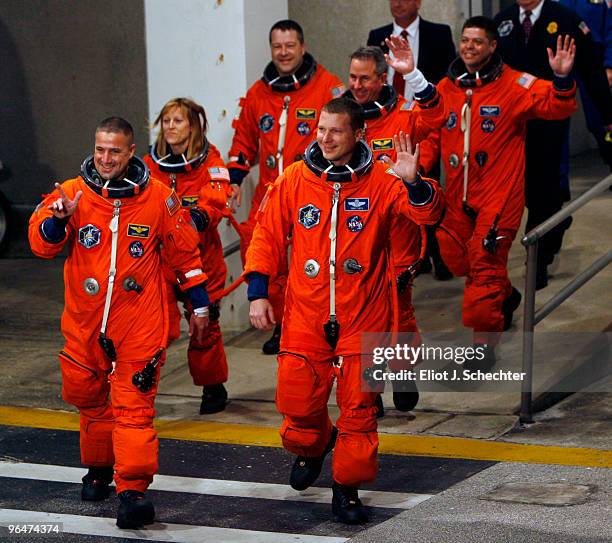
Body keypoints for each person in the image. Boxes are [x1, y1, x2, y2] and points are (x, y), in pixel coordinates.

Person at [244, 98, 443, 524]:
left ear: (358, 134)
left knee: (359, 409)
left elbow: (428, 214)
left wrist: (414, 182)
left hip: (362, 314)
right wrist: (258, 291)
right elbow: (266, 234)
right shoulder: (296, 179)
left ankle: (346, 488)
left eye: (335, 131)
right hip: (306, 314)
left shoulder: (384, 181)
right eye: (320, 129)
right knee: (297, 405)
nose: (325, 138)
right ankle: (315, 444)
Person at [28, 118, 210, 529]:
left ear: (131, 153)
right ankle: (98, 468)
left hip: (139, 320)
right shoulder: (70, 194)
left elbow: (186, 258)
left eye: (115, 151)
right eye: (99, 150)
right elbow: (39, 244)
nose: (106, 159)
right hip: (84, 321)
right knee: (89, 398)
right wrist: (58, 221)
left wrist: (200, 308)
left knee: (133, 409)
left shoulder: (159, 200)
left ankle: (132, 491)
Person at [424, 16, 577, 368]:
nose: (469, 47)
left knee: (485, 265)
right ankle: (506, 297)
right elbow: (430, 131)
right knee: (456, 258)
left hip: (499, 195)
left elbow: (557, 105)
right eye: (465, 40)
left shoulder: (513, 84)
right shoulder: (446, 89)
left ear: (493, 46)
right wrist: (415, 166)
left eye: (478, 41)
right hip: (457, 198)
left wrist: (563, 77)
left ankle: (482, 348)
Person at [227, 19, 345, 355]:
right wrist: (234, 181)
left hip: (314, 191)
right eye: (277, 46)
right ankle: (281, 324)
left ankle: (316, 324)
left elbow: (345, 133)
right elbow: (243, 142)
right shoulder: (258, 94)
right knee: (266, 256)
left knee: (311, 261)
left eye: (290, 45)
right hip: (270, 195)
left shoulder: (328, 87)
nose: (283, 52)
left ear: (302, 47)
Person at [342, 41, 447, 414]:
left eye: (365, 78)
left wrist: (413, 75)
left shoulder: (402, 115)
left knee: (397, 313)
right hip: (354, 233)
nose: (357, 85)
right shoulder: (342, 117)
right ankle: (371, 388)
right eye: (352, 77)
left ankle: (402, 372)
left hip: (398, 230)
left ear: (382, 78)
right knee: (360, 316)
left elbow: (436, 119)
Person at [493, 0, 612, 288]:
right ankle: (557, 219)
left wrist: (608, 115)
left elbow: (591, 69)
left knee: (541, 187)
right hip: (507, 122)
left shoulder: (565, 19)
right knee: (512, 189)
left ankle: (539, 261)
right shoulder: (503, 20)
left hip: (548, 116)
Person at [144, 98, 231, 415]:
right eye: (166, 121)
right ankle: (143, 391)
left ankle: (213, 387)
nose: (170, 127)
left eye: (177, 121)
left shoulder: (212, 164)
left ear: (192, 126)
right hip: (160, 265)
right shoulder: (149, 166)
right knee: (153, 333)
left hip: (202, 262)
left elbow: (215, 204)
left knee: (204, 328)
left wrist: (185, 223)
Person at [367, 0, 456, 278]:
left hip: (422, 118)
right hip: (388, 122)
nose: (398, 3)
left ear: (418, 2)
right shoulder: (376, 35)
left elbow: (446, 80)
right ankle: (410, 255)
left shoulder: (439, 33)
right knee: (391, 187)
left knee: (424, 184)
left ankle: (435, 252)